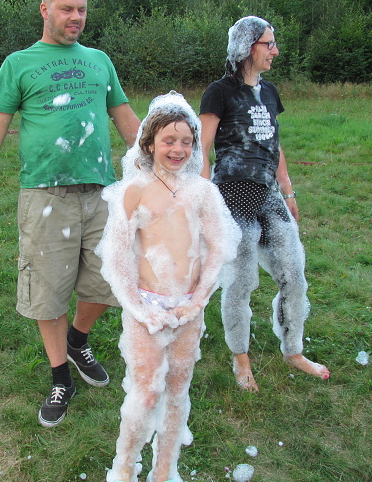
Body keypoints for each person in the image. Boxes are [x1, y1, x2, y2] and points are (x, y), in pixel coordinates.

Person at [0, 0, 140, 427]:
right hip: (45, 195)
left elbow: (126, 120)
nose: (76, 18)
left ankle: (78, 339)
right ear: (45, 10)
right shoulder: (18, 64)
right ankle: (61, 377)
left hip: (101, 192)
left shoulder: (99, 61)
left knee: (109, 282)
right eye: (66, 9)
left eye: (81, 10)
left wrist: (163, 171)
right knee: (48, 293)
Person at [97, 92, 239, 482]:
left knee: (177, 390)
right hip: (147, 305)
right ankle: (124, 468)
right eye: (169, 141)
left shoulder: (202, 192)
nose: (178, 149)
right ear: (149, 144)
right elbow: (117, 256)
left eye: (186, 142)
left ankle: (164, 470)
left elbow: (218, 249)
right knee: (145, 393)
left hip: (188, 306)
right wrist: (138, 308)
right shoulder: (135, 191)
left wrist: (197, 301)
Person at [199, 16, 330, 392]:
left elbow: (275, 144)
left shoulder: (270, 92)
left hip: (269, 196)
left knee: (294, 275)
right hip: (232, 196)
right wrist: (204, 202)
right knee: (240, 281)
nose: (275, 50)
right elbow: (202, 149)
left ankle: (293, 351)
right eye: (268, 44)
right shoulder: (220, 91)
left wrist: (288, 191)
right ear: (246, 47)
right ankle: (241, 359)